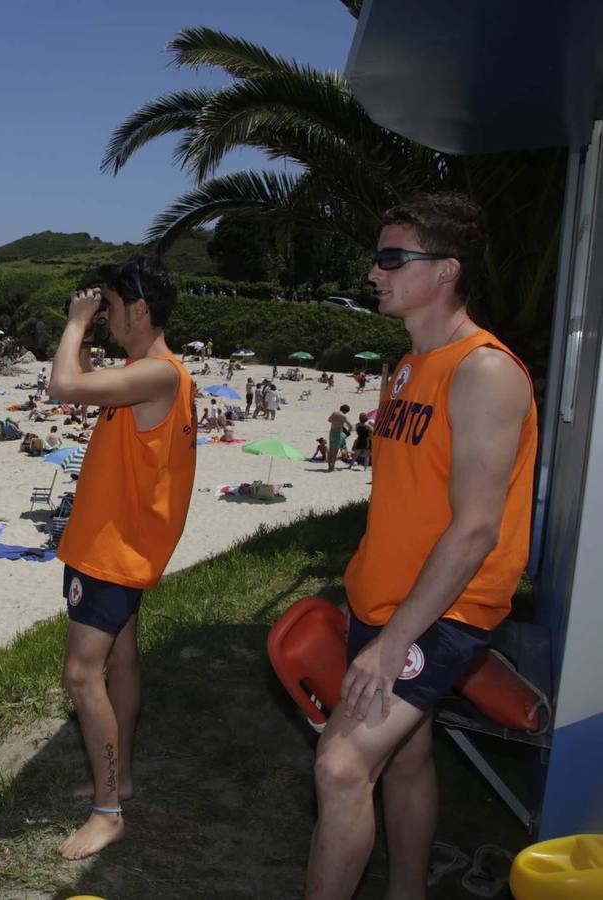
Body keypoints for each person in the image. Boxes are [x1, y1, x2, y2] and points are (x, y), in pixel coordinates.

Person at [305, 193, 538, 899]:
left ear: (445, 272)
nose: (374, 271)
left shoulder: (485, 371)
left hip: (442, 611)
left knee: (341, 766)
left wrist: (391, 639)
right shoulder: (408, 366)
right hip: (387, 598)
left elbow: (475, 528)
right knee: (403, 759)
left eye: (392, 258)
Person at [47, 254, 196, 860]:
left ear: (138, 308)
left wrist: (76, 323)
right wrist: (85, 333)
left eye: (110, 306)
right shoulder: (144, 372)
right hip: (113, 545)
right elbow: (82, 389)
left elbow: (63, 386)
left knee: (82, 675)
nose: (104, 315)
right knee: (122, 661)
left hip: (113, 552)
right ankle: (121, 779)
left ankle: (108, 813)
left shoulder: (159, 374)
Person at [326, 405, 352, 472]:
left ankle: (329, 467)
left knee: (330, 451)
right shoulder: (344, 416)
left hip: (331, 432)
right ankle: (332, 468)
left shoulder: (334, 413)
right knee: (335, 452)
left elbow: (329, 420)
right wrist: (346, 433)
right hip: (338, 434)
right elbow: (351, 426)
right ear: (346, 411)